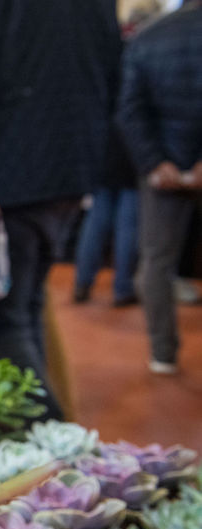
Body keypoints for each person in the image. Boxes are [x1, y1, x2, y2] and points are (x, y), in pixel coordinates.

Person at [0, 0, 121, 418]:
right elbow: (114, 71)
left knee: (3, 317)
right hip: (70, 166)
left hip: (8, 171)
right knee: (26, 307)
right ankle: (45, 435)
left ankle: (53, 440)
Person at [116, 0, 202, 375]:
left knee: (155, 261)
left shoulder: (151, 37)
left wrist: (155, 162)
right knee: (156, 261)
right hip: (172, 163)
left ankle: (163, 352)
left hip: (162, 170)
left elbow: (129, 108)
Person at [73, 26, 139, 309]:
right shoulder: (138, 62)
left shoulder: (101, 63)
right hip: (132, 152)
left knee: (97, 220)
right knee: (128, 224)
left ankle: (82, 281)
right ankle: (122, 287)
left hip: (102, 149)